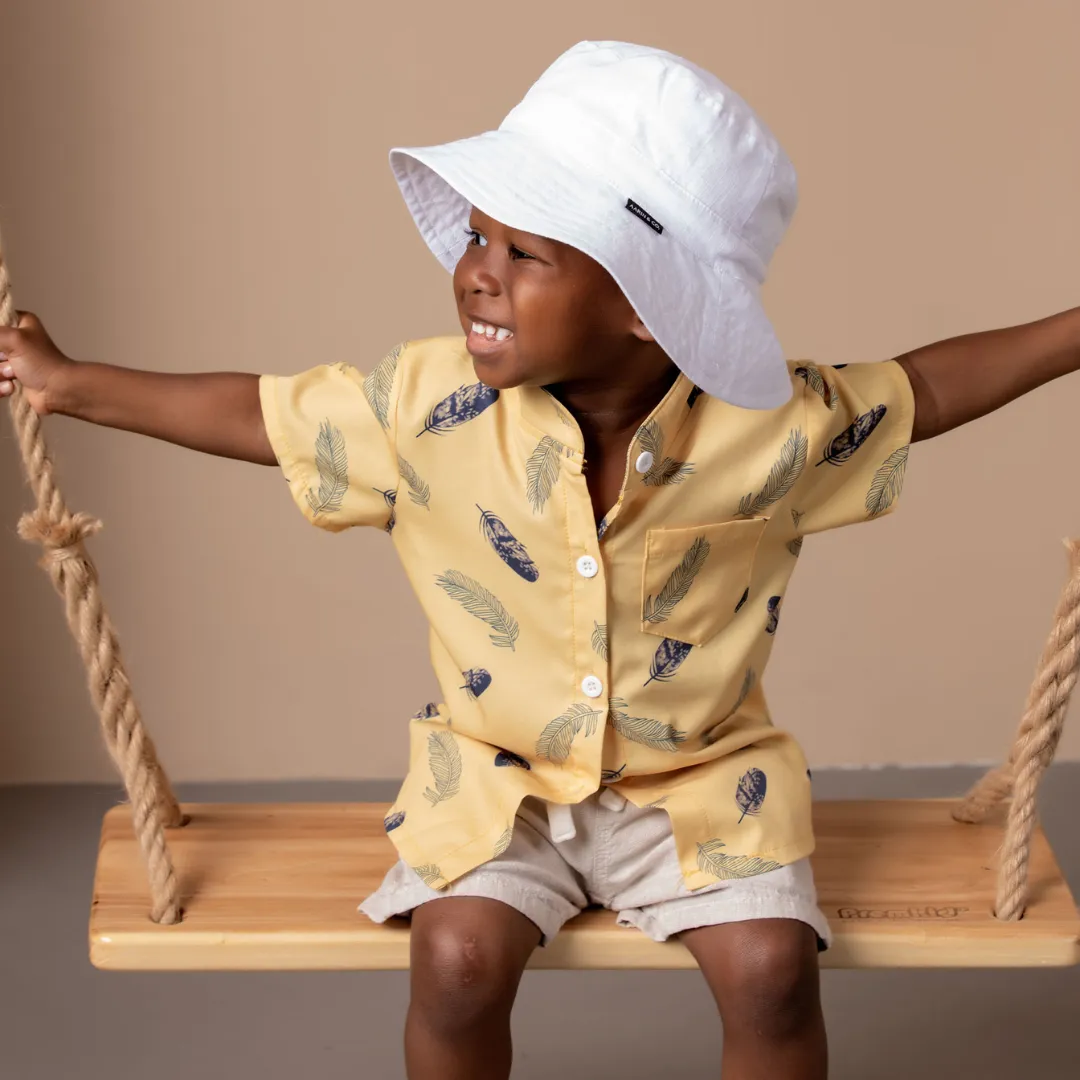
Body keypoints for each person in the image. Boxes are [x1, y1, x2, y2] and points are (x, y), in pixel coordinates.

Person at [2, 39, 1078, 1080]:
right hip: (496, 786)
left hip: (704, 788)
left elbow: (925, 392)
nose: (477, 275)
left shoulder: (771, 429)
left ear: (649, 311)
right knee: (457, 960)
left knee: (771, 973)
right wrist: (69, 382)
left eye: (527, 254)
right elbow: (262, 413)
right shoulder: (426, 408)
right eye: (477, 239)